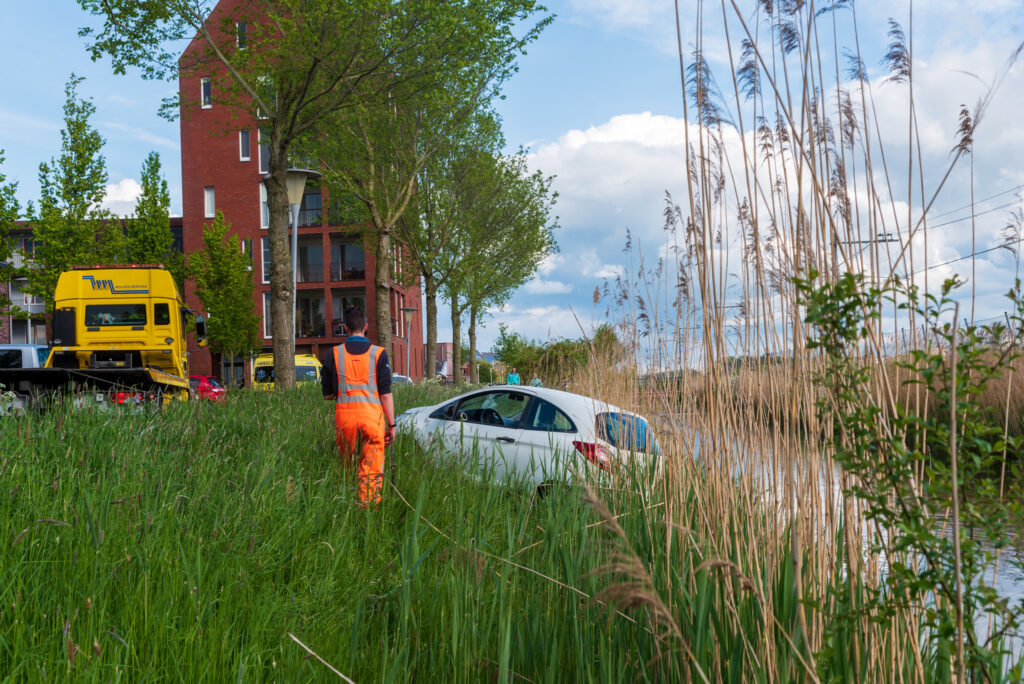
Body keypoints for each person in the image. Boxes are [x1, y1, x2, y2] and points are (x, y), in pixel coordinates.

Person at [322, 305, 396, 506]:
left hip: (345, 420)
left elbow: (328, 395)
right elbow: (386, 394)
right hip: (373, 420)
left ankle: (347, 506)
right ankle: (367, 511)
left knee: (348, 467)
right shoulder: (379, 353)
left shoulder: (334, 354)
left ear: (346, 328)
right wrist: (392, 425)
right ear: (366, 326)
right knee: (371, 470)